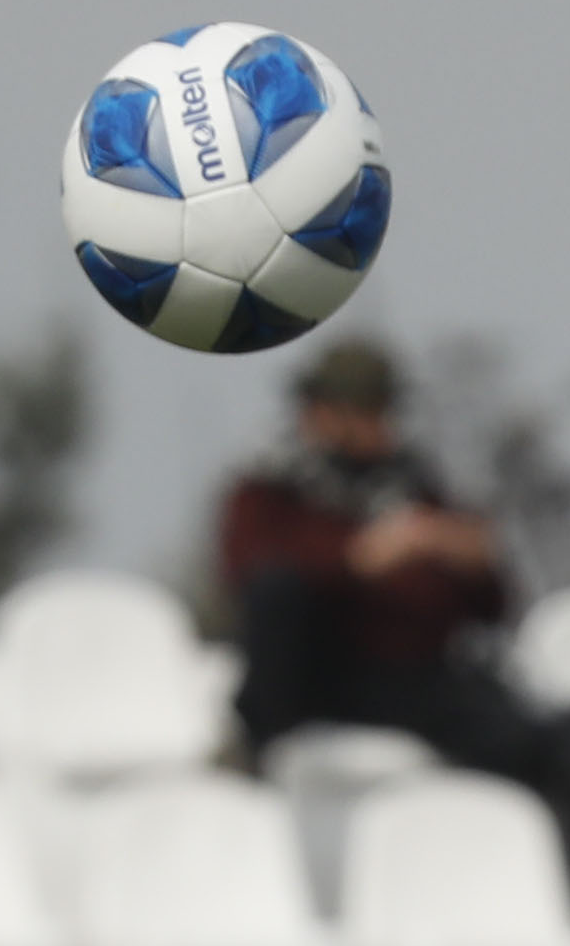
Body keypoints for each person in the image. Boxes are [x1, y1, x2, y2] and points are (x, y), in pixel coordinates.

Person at [218, 334, 541, 784]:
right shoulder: (270, 488)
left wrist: (472, 561)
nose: (381, 425)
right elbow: (248, 572)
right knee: (279, 594)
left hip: (411, 676)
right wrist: (358, 558)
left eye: (383, 411)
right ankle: (255, 756)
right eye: (367, 411)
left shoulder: (416, 488)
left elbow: (492, 608)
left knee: (528, 739)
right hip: (317, 676)